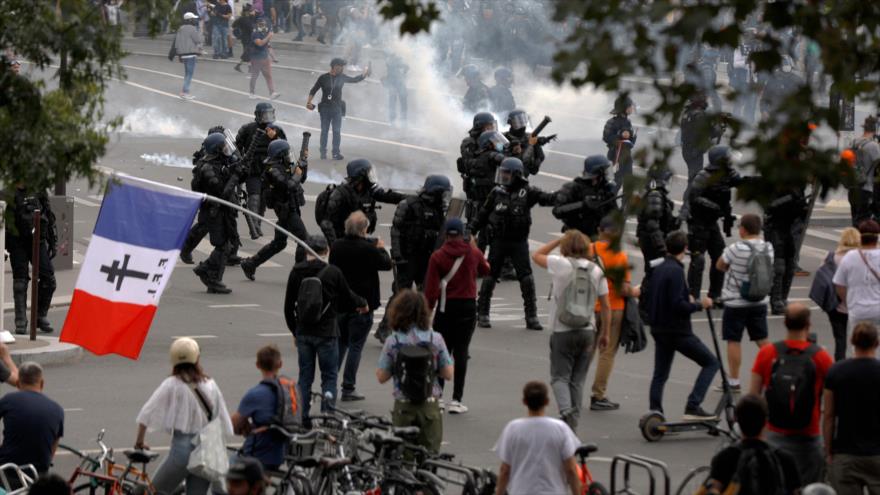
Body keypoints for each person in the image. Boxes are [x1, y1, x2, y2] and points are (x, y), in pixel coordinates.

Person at [284, 234, 368, 425]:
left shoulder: (296, 272)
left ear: (306, 251)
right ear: (327, 250)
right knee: (329, 376)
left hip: (304, 333)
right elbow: (347, 298)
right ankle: (327, 416)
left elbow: (288, 307)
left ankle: (302, 417)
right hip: (327, 333)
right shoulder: (332, 272)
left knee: (305, 377)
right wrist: (362, 304)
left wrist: (295, 331)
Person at [532, 230, 611, 430]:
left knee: (559, 377)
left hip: (562, 329)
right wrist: (605, 333)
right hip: (587, 330)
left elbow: (536, 255)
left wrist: (559, 240)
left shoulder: (561, 264)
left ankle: (565, 411)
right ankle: (572, 427)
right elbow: (606, 305)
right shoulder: (596, 270)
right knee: (577, 380)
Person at [135, 338, 233, 495]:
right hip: (204, 453)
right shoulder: (210, 384)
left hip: (181, 451)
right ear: (196, 359)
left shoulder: (172, 384)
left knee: (154, 492)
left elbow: (147, 412)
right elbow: (222, 419)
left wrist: (140, 441)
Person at [749, 303, 833, 484]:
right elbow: (832, 403)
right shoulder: (820, 357)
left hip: (774, 432)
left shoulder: (767, 353)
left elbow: (753, 398)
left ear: (784, 322)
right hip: (808, 434)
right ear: (808, 325)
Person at [472, 158, 557, 331]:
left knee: (526, 277)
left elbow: (547, 198)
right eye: (502, 172)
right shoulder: (496, 192)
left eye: (506, 173)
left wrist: (565, 195)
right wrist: (470, 229)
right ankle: (482, 313)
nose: (503, 176)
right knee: (490, 274)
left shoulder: (528, 192)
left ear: (517, 175)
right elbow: (483, 213)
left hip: (518, 242)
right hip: (498, 241)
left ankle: (531, 316)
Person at [645, 231, 718, 420]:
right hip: (677, 330)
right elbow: (678, 305)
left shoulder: (659, 268)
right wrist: (699, 304)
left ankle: (655, 410)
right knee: (711, 362)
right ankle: (693, 405)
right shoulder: (676, 271)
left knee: (660, 373)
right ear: (684, 249)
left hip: (658, 327)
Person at [424, 218, 490, 414]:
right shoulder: (472, 252)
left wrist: (428, 311)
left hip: (446, 307)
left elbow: (431, 290)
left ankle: (438, 396)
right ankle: (457, 399)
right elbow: (486, 269)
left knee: (441, 351)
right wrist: (474, 245)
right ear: (462, 234)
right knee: (461, 352)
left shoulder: (437, 256)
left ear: (446, 234)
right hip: (468, 307)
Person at [376, 289, 454, 453]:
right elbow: (448, 373)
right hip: (429, 404)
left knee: (403, 459)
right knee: (430, 457)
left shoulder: (393, 340)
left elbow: (381, 376)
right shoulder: (435, 339)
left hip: (404, 405)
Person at [329, 211, 393, 402]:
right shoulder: (368, 249)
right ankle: (348, 387)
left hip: (341, 303)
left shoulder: (337, 245)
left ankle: (330, 383)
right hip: (363, 305)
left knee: (340, 344)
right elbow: (387, 264)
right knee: (356, 346)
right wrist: (381, 248)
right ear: (363, 229)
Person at [715, 214, 773, 390]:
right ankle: (776, 370)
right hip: (759, 299)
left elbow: (720, 265)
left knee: (733, 340)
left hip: (736, 301)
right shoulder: (767, 247)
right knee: (762, 339)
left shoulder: (736, 248)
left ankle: (733, 380)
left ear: (743, 229)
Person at [493, 381, 582, 495]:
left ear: (524, 401)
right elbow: (570, 469)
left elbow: (505, 470)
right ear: (547, 402)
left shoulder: (512, 428)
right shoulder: (560, 428)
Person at [685, 145, 749, 301]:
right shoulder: (704, 176)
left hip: (711, 223)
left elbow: (741, 182)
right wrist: (714, 207)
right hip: (699, 223)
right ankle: (693, 296)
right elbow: (693, 197)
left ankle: (715, 294)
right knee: (698, 260)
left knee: (720, 257)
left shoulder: (726, 175)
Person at [240, 139, 310, 281]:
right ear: (280, 155)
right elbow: (288, 185)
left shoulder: (284, 165)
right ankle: (298, 274)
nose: (289, 156)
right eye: (287, 153)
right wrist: (297, 173)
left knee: (279, 243)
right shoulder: (273, 169)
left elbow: (300, 180)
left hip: (291, 208)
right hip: (286, 211)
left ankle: (250, 264)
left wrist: (303, 165)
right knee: (304, 240)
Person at [823, 322, 880, 494]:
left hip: (845, 453)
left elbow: (829, 416)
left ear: (852, 342)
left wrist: (828, 451)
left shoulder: (836, 371)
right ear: (877, 343)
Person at [705, 394, 802, 495]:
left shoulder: (724, 458)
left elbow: (714, 488)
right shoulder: (784, 459)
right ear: (766, 421)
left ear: (737, 421)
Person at [590, 216, 638, 411]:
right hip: (612, 306)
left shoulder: (589, 250)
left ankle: (573, 388)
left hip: (589, 306)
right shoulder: (618, 255)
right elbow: (624, 289)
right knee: (606, 353)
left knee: (586, 351)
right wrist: (637, 291)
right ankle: (598, 394)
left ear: (599, 229)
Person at [191, 132, 244, 294]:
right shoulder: (208, 168)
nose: (227, 149)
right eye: (223, 147)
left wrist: (241, 170)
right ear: (216, 150)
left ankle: (210, 274)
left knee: (226, 245)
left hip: (223, 210)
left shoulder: (221, 163)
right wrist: (235, 175)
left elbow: (233, 177)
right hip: (214, 211)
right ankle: (210, 275)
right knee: (223, 246)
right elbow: (222, 192)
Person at [6, 186, 57, 335]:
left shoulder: (38, 189)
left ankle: (40, 315)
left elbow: (48, 214)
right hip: (17, 242)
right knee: (20, 283)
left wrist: (52, 241)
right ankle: (20, 320)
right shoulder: (7, 193)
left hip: (37, 241)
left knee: (49, 279)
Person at [318, 159, 406, 245]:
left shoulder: (368, 190)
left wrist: (411, 199)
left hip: (359, 237)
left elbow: (387, 196)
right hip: (343, 239)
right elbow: (326, 223)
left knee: (378, 245)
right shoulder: (340, 194)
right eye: (369, 174)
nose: (371, 176)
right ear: (361, 176)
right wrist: (335, 246)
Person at [234, 102, 287, 239]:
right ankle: (254, 225)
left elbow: (284, 149)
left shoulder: (277, 131)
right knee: (254, 196)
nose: (267, 118)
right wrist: (240, 166)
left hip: (270, 169)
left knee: (263, 199)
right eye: (264, 115)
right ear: (257, 115)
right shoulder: (247, 129)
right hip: (253, 169)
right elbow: (236, 149)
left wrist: (275, 137)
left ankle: (257, 223)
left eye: (269, 114)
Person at [231, 345, 288, 471]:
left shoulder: (255, 394)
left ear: (257, 365)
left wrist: (247, 428)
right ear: (280, 364)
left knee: (230, 465)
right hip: (282, 452)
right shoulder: (290, 390)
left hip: (259, 452)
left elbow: (235, 425)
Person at [0, 363, 62, 474]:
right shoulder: (57, 409)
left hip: (8, 470)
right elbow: (54, 444)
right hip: (39, 473)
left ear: (18, 383)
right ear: (42, 383)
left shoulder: (8, 401)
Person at [635, 166, 679, 319]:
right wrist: (662, 247)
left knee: (654, 272)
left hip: (650, 239)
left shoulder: (654, 193)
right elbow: (653, 225)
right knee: (653, 273)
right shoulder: (655, 195)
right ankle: (645, 309)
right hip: (652, 241)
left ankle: (649, 306)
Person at [306, 58, 371, 160]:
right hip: (325, 108)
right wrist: (308, 102)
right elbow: (313, 90)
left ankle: (336, 153)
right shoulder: (323, 78)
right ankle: (323, 152)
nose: (342, 68)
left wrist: (364, 74)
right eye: (341, 66)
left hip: (337, 108)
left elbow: (354, 80)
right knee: (324, 131)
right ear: (335, 66)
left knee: (336, 131)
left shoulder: (342, 77)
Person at [815, 227, 860, 361]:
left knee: (840, 338)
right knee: (859, 338)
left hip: (835, 303)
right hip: (856, 302)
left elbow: (821, 275)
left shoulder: (831, 256)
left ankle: (840, 364)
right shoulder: (860, 257)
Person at [764, 182, 808, 314]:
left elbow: (799, 212)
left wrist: (803, 208)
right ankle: (776, 301)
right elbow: (771, 206)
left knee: (790, 265)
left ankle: (783, 298)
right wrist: (791, 199)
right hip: (774, 228)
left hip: (787, 228)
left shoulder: (799, 187)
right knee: (779, 266)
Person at [553, 155, 619, 239]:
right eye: (605, 171)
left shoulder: (605, 189)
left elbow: (614, 213)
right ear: (597, 173)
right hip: (577, 237)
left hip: (599, 237)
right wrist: (583, 205)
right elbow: (557, 211)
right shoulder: (573, 188)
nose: (607, 174)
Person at [833, 220, 880, 331]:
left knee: (859, 343)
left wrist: (848, 302)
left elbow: (839, 285)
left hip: (858, 308)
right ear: (877, 237)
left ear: (860, 237)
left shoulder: (850, 256)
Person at [679, 92, 724, 186]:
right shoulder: (699, 115)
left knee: (693, 178)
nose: (706, 101)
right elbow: (709, 132)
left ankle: (689, 197)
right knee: (695, 181)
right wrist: (719, 129)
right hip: (694, 151)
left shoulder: (687, 112)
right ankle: (689, 199)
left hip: (687, 150)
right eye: (704, 99)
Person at [848, 116, 880, 225]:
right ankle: (862, 241)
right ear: (875, 129)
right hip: (866, 189)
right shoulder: (873, 146)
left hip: (852, 188)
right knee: (864, 222)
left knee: (855, 219)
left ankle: (854, 240)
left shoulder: (852, 143)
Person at [602, 95, 636, 190]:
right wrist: (620, 135)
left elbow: (629, 141)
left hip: (627, 156)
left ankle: (625, 204)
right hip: (616, 156)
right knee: (617, 181)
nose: (632, 108)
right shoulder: (612, 122)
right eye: (630, 106)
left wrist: (632, 138)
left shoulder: (628, 122)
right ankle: (609, 203)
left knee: (628, 182)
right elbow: (606, 137)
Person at [503, 109, 546, 178]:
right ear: (510, 123)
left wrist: (537, 144)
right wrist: (530, 144)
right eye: (517, 122)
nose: (522, 125)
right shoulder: (504, 138)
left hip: (523, 178)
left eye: (523, 121)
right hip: (508, 177)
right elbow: (521, 161)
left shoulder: (529, 136)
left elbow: (540, 157)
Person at [249, 16, 281, 99]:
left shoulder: (265, 33)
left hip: (265, 57)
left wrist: (273, 57)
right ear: (258, 24)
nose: (263, 26)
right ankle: (251, 93)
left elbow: (268, 46)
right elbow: (260, 43)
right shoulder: (255, 33)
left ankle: (272, 93)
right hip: (256, 58)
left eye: (264, 24)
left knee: (268, 76)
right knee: (254, 76)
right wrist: (269, 36)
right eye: (261, 24)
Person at [175, 12, 202, 100]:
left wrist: (179, 55)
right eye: (194, 19)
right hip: (190, 54)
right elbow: (197, 40)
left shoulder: (180, 28)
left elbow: (177, 43)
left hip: (183, 54)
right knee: (189, 74)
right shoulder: (192, 28)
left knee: (187, 74)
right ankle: (184, 92)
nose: (195, 20)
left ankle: (185, 91)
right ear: (190, 20)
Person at [382, 52, 408, 126]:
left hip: (397, 82)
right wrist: (404, 74)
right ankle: (395, 120)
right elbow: (406, 67)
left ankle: (401, 120)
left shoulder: (393, 61)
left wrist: (403, 74)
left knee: (400, 101)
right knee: (394, 101)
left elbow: (407, 67)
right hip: (393, 82)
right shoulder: (391, 61)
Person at [232, 5, 256, 73]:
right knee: (248, 52)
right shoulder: (246, 19)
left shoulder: (241, 18)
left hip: (244, 37)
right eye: (251, 11)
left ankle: (241, 66)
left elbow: (233, 25)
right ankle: (245, 67)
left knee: (247, 52)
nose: (252, 12)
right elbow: (251, 29)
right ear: (247, 12)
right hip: (247, 38)